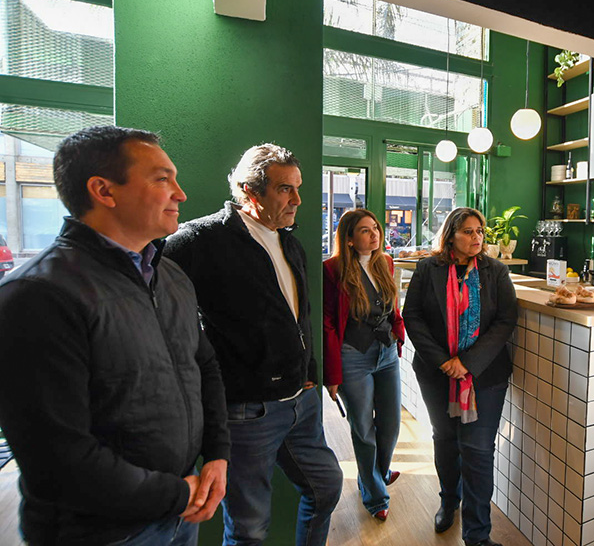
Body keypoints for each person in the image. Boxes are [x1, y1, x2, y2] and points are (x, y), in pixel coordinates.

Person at [0, 126, 230, 546]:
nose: (180, 194)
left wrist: (217, 453)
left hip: (182, 511)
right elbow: (58, 461)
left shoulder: (169, 274)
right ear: (104, 190)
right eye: (162, 179)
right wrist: (177, 494)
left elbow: (203, 364)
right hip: (104, 532)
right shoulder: (38, 295)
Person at [163, 144, 342, 546]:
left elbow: (302, 315)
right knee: (249, 528)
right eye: (285, 189)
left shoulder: (289, 243)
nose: (297, 199)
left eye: (298, 188)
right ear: (250, 190)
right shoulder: (200, 239)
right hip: (247, 412)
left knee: (326, 487)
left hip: (301, 402)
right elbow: (152, 298)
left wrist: (310, 371)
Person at [403, 207, 517, 546]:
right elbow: (413, 316)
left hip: (485, 376)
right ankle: (449, 500)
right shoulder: (428, 269)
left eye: (480, 231)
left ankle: (477, 535)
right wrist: (444, 362)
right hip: (436, 374)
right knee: (445, 439)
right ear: (451, 235)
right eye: (468, 231)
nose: (477, 237)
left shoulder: (495, 271)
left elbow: (506, 321)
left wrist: (467, 363)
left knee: (478, 450)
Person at [322, 209, 405, 520]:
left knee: (391, 423)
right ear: (349, 239)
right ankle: (375, 495)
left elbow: (392, 306)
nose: (374, 235)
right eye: (365, 230)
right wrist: (332, 374)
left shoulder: (385, 262)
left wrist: (398, 332)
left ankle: (377, 473)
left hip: (386, 353)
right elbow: (328, 323)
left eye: (376, 228)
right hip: (352, 356)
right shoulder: (332, 269)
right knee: (363, 428)